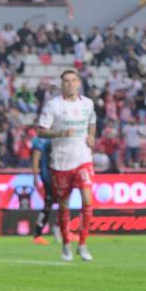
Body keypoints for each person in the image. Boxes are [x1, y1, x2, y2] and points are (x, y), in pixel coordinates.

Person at [38, 69, 96, 262]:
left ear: (78, 82)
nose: (70, 84)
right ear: (61, 84)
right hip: (61, 162)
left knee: (88, 201)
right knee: (64, 206)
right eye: (66, 81)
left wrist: (91, 135)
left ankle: (83, 244)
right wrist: (60, 134)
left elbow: (92, 121)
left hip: (83, 159)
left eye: (73, 80)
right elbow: (41, 131)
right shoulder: (53, 105)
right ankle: (65, 243)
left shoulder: (88, 104)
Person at [31, 136, 61, 245]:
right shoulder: (41, 140)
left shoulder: (55, 136)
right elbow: (35, 157)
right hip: (47, 175)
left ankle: (59, 229)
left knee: (59, 201)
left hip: (57, 173)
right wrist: (35, 176)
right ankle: (38, 234)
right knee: (50, 203)